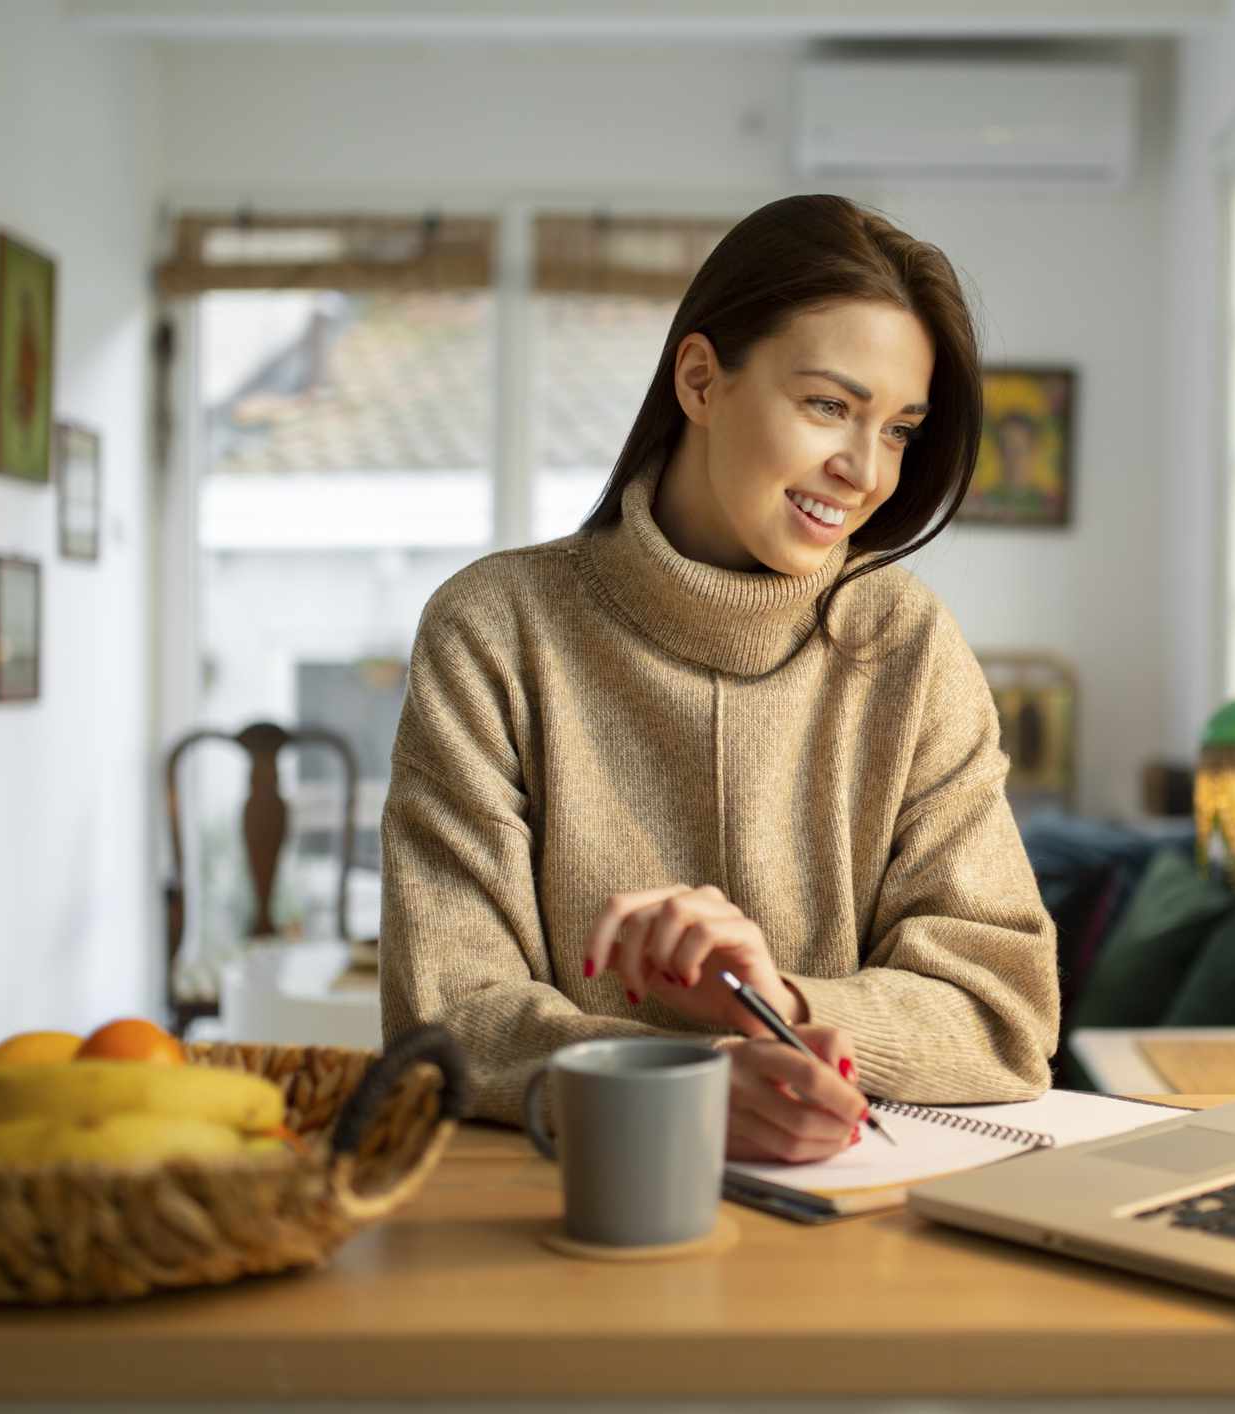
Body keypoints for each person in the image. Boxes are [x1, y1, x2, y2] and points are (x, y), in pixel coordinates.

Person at [379, 194, 1058, 1165]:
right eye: (829, 404)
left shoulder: (908, 643)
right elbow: (446, 1018)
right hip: (552, 1206)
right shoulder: (493, 628)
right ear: (700, 380)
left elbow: (1004, 1018)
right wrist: (676, 1088)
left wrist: (780, 1007)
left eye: (900, 428)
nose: (866, 471)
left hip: (859, 1223)